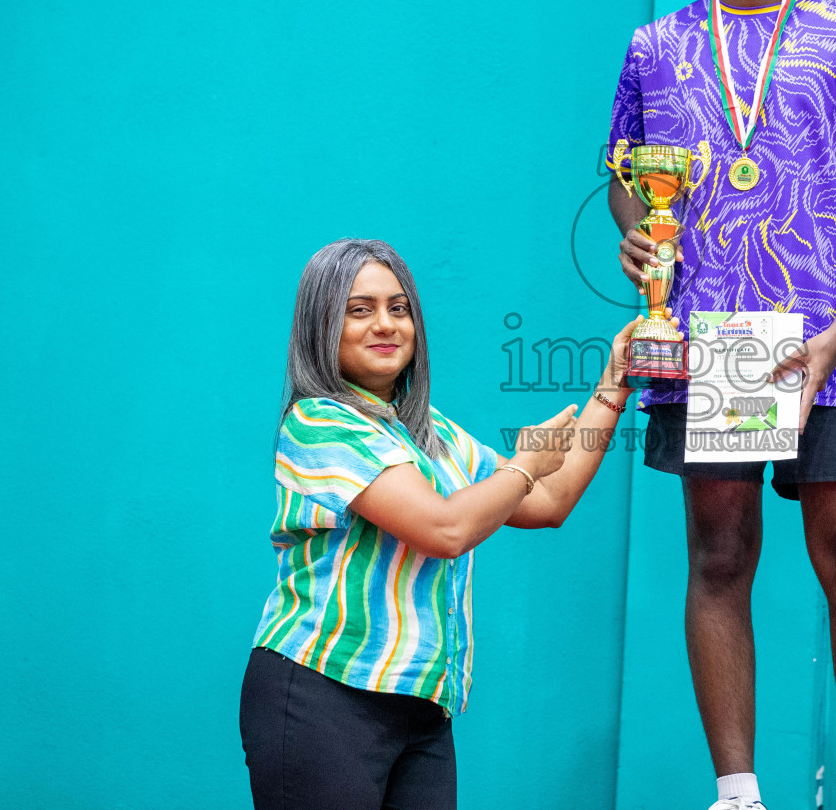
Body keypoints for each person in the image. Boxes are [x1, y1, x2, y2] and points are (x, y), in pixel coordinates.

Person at [605, 0, 836, 810]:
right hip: (717, 343)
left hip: (833, 345)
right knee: (721, 554)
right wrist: (640, 238)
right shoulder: (655, 48)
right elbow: (625, 179)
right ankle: (737, 793)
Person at [239, 238, 636, 810]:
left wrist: (613, 385)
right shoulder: (319, 423)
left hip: (422, 708)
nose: (386, 324)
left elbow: (550, 497)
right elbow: (445, 530)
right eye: (360, 309)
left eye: (399, 309)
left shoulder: (434, 434)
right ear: (321, 324)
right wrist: (523, 465)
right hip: (322, 695)